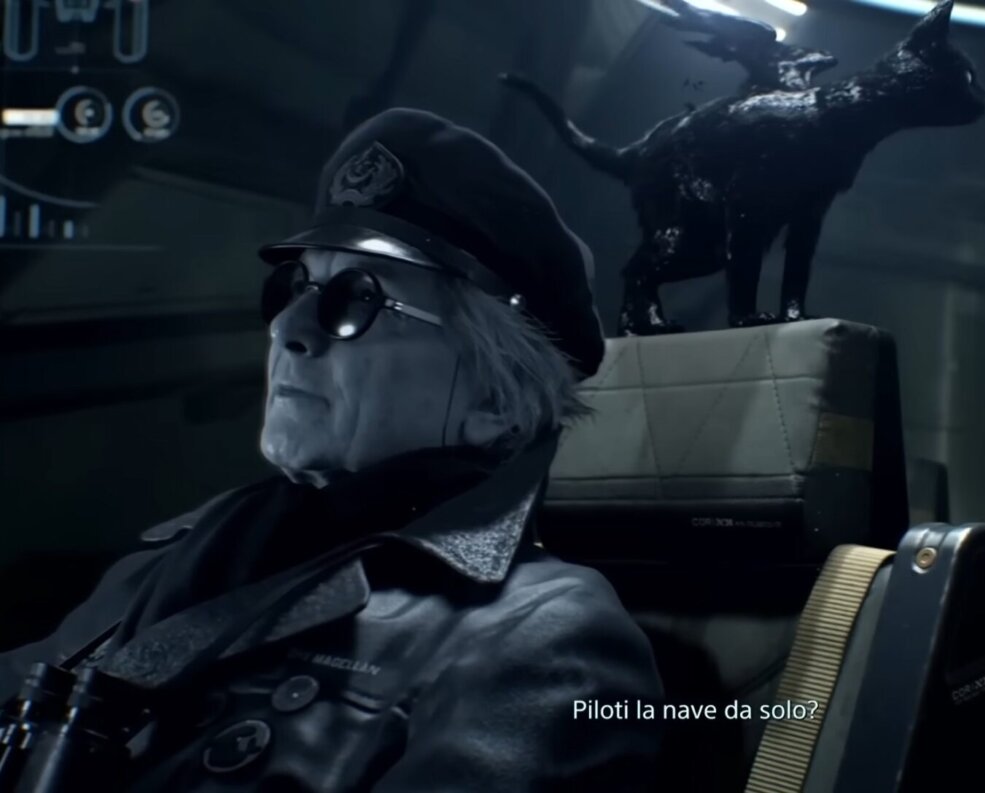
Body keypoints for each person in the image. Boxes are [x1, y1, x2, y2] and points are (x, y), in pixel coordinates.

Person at [0, 108, 663, 791]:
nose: (288, 326)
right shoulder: (185, 551)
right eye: (296, 288)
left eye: (357, 299)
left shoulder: (543, 638)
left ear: (495, 396)